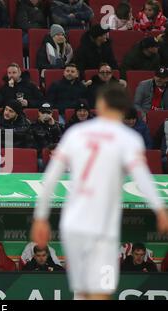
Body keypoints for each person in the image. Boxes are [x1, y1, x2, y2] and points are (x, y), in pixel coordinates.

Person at [31, 85, 168, 300]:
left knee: (81, 291)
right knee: (100, 293)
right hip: (102, 227)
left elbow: (50, 177)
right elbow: (143, 177)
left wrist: (40, 218)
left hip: (73, 223)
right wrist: (160, 209)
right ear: (124, 109)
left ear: (100, 105)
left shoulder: (76, 133)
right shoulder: (128, 138)